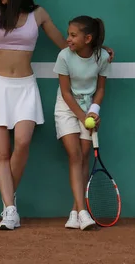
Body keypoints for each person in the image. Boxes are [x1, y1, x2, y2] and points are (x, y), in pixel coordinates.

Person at [0, 0, 115, 230]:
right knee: (2, 152)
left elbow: (68, 46)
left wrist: (97, 49)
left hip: (25, 87)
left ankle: (8, 201)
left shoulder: (38, 14)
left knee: (23, 143)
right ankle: (10, 209)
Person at [53, 15, 111, 230]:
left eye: (73, 35)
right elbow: (66, 93)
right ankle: (84, 211)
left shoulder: (102, 57)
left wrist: (94, 112)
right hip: (66, 108)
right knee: (75, 155)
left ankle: (75, 211)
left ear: (88, 38)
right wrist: (82, 116)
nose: (68, 38)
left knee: (85, 156)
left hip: (88, 109)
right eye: (68, 34)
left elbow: (101, 89)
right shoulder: (64, 57)